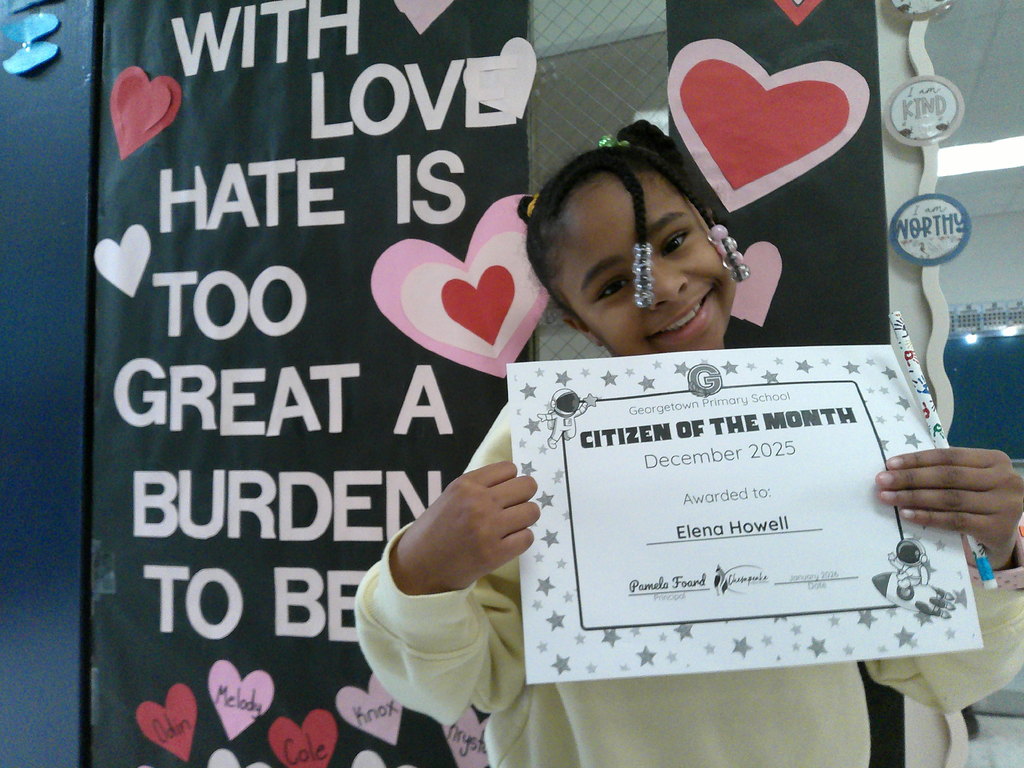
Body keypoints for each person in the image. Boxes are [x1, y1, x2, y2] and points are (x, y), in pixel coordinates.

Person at [355, 121, 1024, 767]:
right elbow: (465, 680)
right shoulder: (533, 447)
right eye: (616, 286)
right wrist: (418, 575)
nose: (665, 287)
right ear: (579, 324)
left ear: (715, 234)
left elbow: (940, 672)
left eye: (674, 243)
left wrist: (997, 555)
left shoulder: (833, 418)